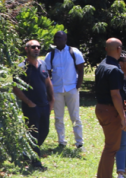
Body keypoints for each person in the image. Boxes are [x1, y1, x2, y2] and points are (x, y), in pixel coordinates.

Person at [94, 38, 126, 178]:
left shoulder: (101, 66)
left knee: (108, 146)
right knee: (112, 148)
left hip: (101, 108)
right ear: (118, 49)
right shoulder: (115, 70)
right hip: (110, 111)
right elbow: (115, 95)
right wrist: (123, 118)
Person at [41, 30, 85, 149]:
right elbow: (48, 74)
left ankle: (79, 142)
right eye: (56, 38)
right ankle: (61, 141)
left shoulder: (74, 52)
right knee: (58, 117)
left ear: (65, 39)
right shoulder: (50, 55)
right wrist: (50, 90)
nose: (57, 40)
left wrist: (78, 86)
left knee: (75, 116)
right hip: (57, 90)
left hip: (72, 88)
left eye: (60, 38)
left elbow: (80, 70)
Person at [14, 39, 52, 170]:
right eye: (33, 47)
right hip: (31, 106)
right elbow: (15, 88)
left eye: (38, 47)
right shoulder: (21, 67)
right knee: (33, 133)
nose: (36, 49)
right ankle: (36, 162)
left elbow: (47, 82)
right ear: (27, 49)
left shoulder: (43, 64)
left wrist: (51, 100)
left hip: (44, 105)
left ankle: (26, 152)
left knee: (45, 131)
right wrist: (29, 102)